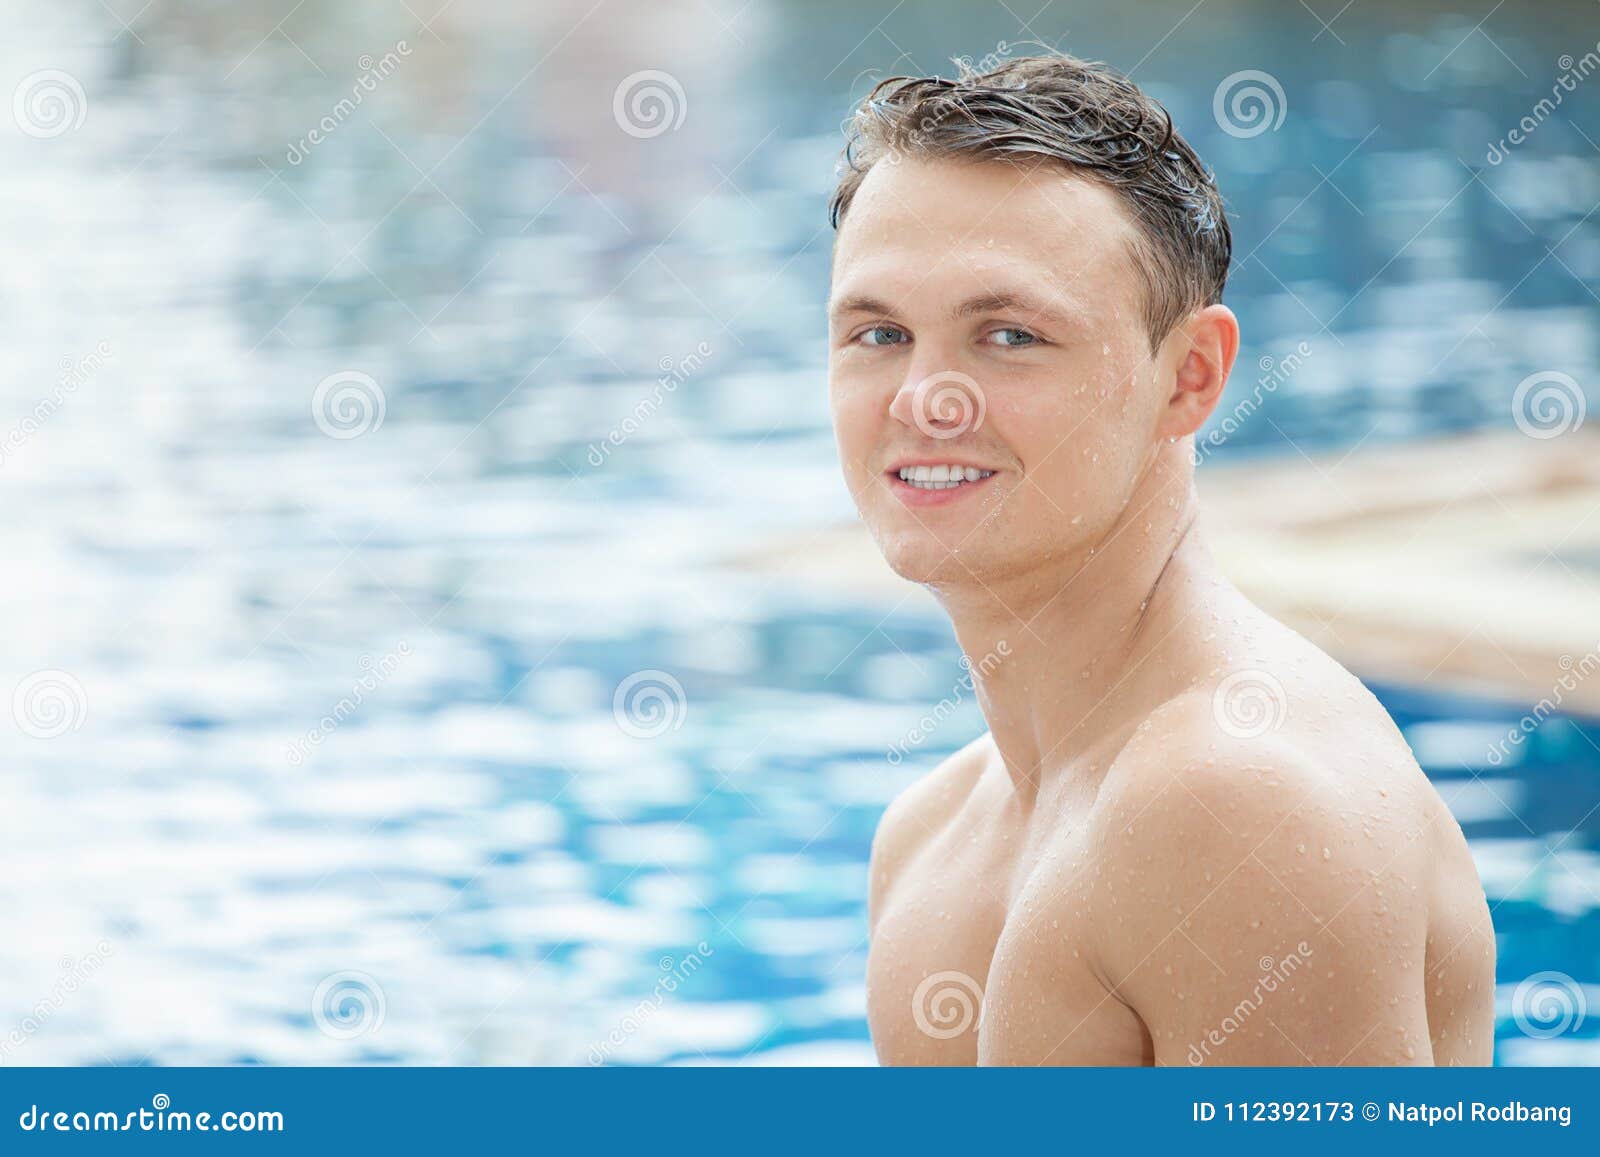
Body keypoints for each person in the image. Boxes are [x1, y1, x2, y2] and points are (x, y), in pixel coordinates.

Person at [826, 52, 1495, 1065]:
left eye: (1008, 334)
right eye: (879, 332)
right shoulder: (930, 838)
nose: (925, 398)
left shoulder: (1232, 809)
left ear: (1188, 376)